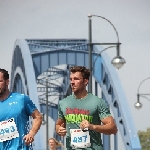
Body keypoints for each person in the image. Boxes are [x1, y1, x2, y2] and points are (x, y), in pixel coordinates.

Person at [55, 66, 118, 150]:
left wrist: (92, 127)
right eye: (71, 79)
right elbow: (59, 124)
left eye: (76, 79)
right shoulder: (63, 103)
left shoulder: (97, 102)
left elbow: (113, 128)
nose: (72, 82)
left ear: (85, 81)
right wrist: (59, 129)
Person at [0, 68, 42, 149]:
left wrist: (31, 133)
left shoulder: (21, 99)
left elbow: (38, 116)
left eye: (0, 81)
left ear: (7, 82)